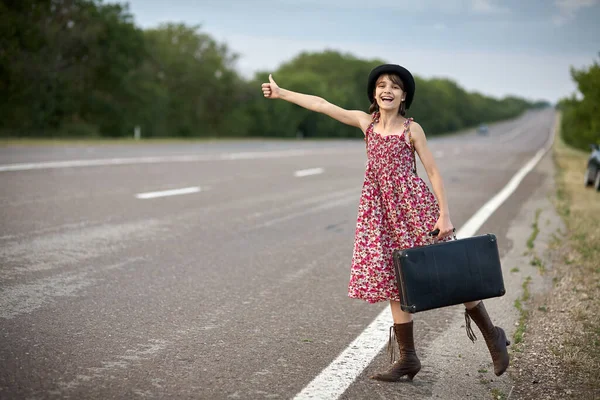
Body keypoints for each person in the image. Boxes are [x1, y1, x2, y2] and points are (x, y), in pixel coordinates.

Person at [261, 64, 510, 381]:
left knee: (450, 271)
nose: (387, 90)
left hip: (413, 207)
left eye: (394, 86)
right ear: (374, 93)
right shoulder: (366, 123)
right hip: (378, 211)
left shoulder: (411, 130)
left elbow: (432, 172)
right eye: (381, 85)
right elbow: (322, 105)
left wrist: (444, 214)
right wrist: (282, 93)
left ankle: (493, 337)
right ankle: (408, 358)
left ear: (404, 95)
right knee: (395, 278)